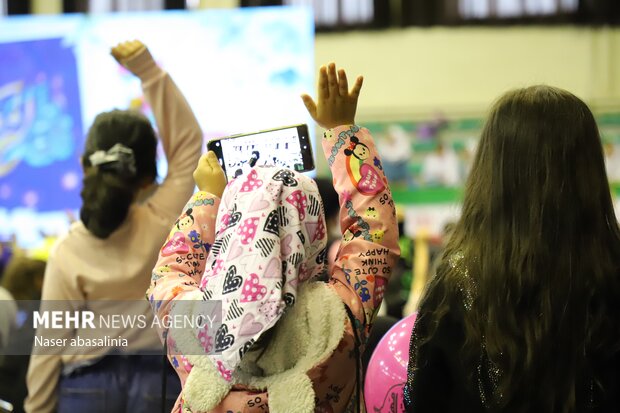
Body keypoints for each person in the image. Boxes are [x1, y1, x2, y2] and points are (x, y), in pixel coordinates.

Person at [148, 63, 400, 412]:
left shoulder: (190, 319)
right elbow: (374, 234)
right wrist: (343, 133)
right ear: (311, 233)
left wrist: (207, 196)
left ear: (229, 230)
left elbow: (172, 269)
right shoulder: (338, 320)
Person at [404, 85, 620, 412]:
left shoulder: (456, 282)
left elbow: (421, 399)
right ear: (589, 170)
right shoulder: (612, 273)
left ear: (491, 170)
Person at [25, 40, 202, 413]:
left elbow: (48, 347)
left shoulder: (68, 250)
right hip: (160, 379)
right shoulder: (166, 221)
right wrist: (148, 71)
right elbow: (188, 147)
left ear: (84, 165)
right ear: (146, 178)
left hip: (85, 387)